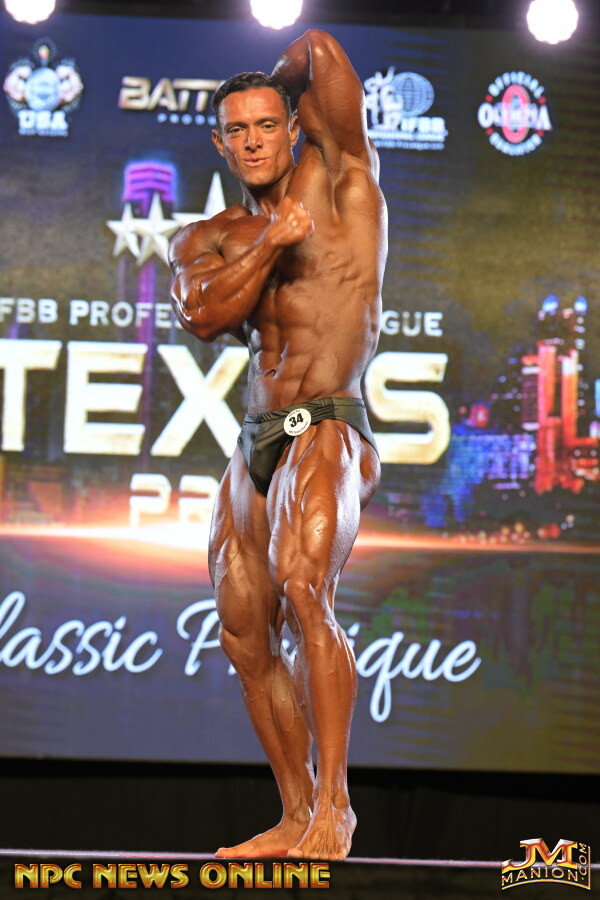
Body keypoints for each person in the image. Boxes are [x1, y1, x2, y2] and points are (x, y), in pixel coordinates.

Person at [169, 29, 387, 861]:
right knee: (244, 633)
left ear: (294, 126)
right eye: (239, 130)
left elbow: (321, 50)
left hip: (330, 420)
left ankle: (336, 805)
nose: (255, 141)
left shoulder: (342, 177)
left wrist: (278, 81)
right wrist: (270, 238)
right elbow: (202, 316)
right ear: (219, 143)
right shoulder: (212, 234)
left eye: (268, 123)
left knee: (304, 588)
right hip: (255, 438)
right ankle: (295, 812)